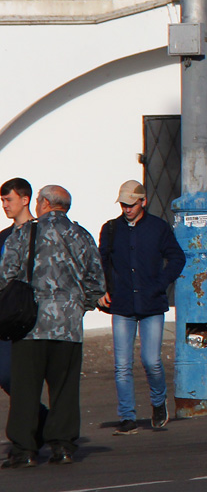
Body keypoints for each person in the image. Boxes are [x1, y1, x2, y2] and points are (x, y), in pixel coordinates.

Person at [0, 185, 106, 468]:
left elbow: (5, 275)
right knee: (64, 390)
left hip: (30, 325)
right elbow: (96, 280)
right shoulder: (81, 235)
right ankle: (63, 446)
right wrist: (76, 307)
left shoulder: (23, 233)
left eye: (37, 201)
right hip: (68, 327)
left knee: (25, 391)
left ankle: (24, 449)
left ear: (45, 203)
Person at [98, 181, 186, 436]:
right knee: (122, 365)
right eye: (123, 204)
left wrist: (159, 284)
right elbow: (101, 260)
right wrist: (103, 288)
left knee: (151, 361)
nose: (127, 209)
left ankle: (159, 402)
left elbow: (177, 258)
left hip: (151, 304)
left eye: (131, 204)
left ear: (143, 202)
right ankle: (127, 417)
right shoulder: (111, 229)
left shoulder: (158, 228)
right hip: (122, 304)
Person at [0, 179, 48, 447]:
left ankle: (35, 433)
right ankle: (43, 421)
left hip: (35, 316)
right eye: (3, 201)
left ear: (25, 199)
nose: (5, 205)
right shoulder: (3, 238)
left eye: (9, 200)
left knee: (29, 377)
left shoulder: (40, 233)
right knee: (6, 375)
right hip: (7, 317)